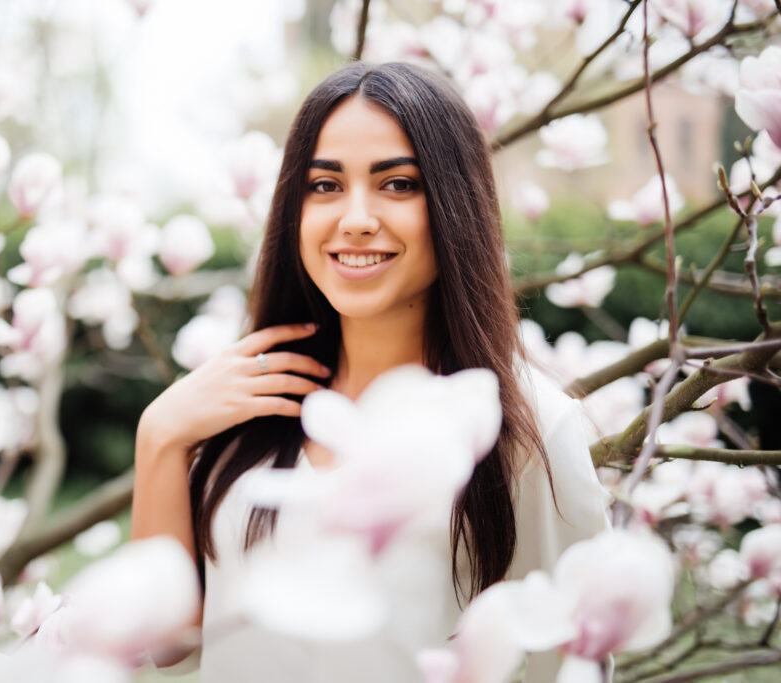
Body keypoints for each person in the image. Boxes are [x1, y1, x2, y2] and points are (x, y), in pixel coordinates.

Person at [131, 61, 610, 682]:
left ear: (454, 204)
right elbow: (167, 642)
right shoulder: (246, 401)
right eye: (325, 186)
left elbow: (572, 665)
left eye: (398, 184)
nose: (355, 217)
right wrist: (161, 435)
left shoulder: (531, 430)